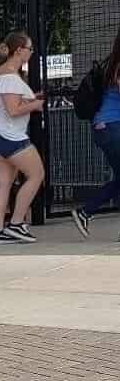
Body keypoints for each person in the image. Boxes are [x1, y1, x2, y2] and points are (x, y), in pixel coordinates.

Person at [0, 31, 45, 245]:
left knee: (4, 183)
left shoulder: (1, 75)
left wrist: (30, 98)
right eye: (30, 49)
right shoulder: (9, 76)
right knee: (36, 174)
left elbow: (9, 105)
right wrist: (35, 105)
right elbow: (13, 110)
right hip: (9, 136)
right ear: (19, 50)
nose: (31, 52)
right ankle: (17, 223)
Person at [72, 26, 120, 238]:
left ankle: (86, 211)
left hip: (106, 128)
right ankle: (86, 211)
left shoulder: (112, 62)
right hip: (112, 128)